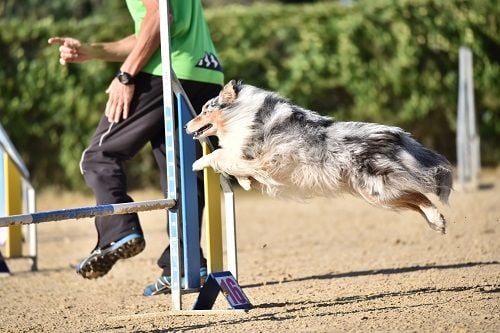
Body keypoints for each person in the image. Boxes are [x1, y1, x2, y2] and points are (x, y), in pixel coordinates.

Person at [48, 0, 223, 296]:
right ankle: (184, 265)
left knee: (99, 156)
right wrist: (94, 51)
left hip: (164, 73)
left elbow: (159, 19)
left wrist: (125, 75)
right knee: (184, 173)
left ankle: (119, 229)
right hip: (204, 73)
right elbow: (149, 32)